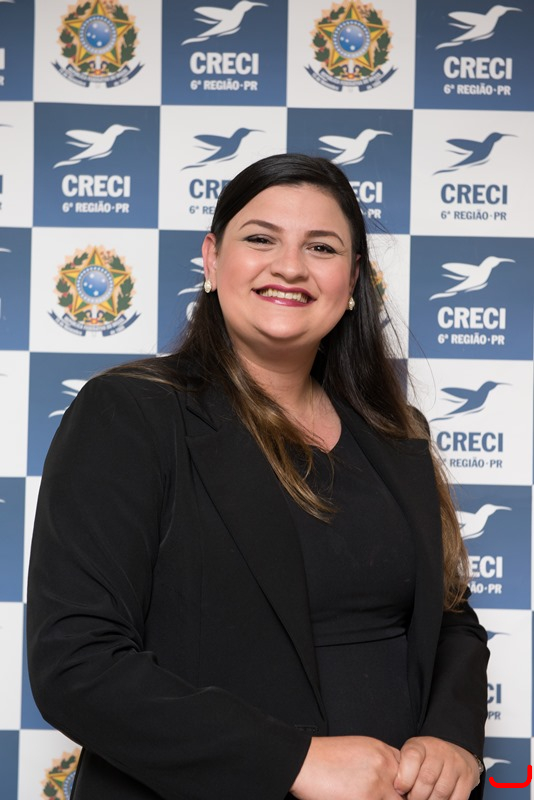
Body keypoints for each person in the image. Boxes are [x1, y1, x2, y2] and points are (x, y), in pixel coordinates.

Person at [27, 153, 489, 800]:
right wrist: (296, 763)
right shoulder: (130, 413)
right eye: (261, 239)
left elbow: (450, 616)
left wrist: (451, 736)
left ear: (354, 280)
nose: (291, 266)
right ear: (213, 261)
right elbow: (77, 665)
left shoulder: (394, 432)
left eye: (321, 247)